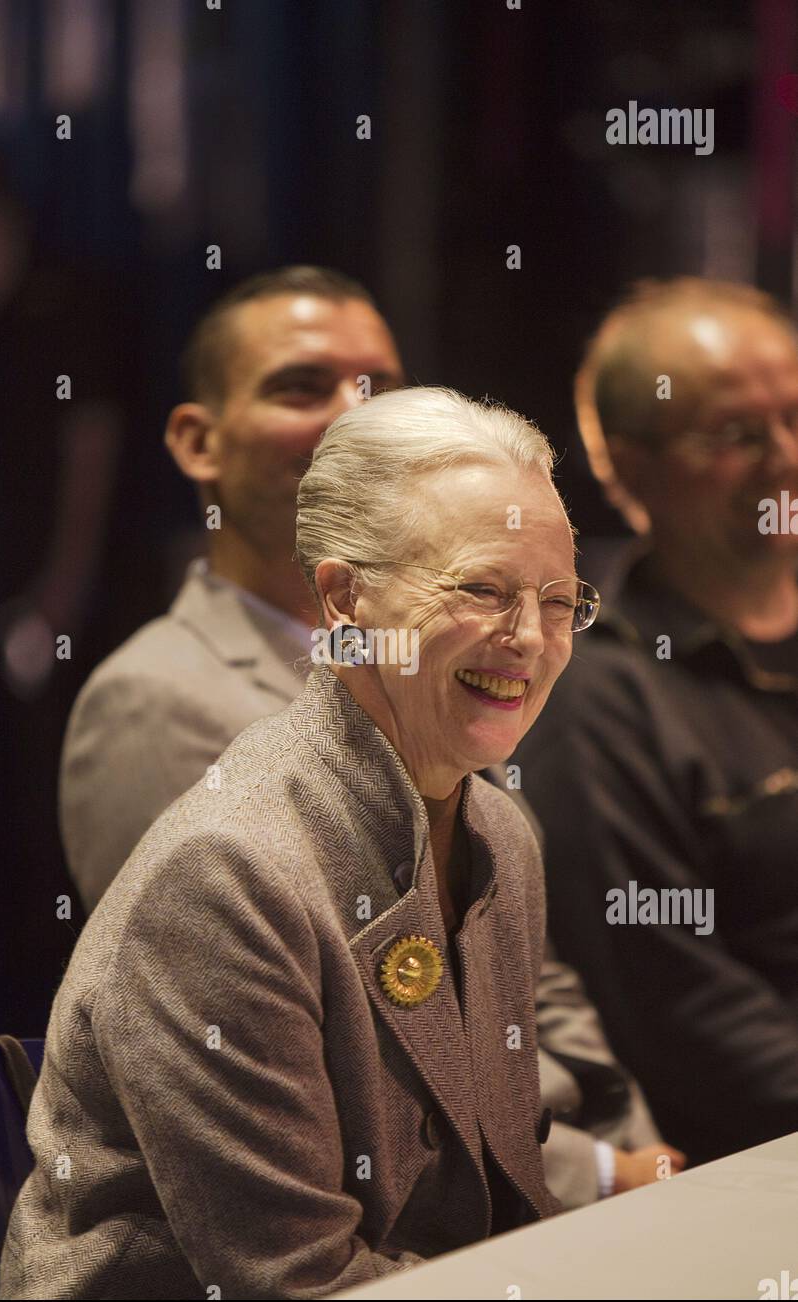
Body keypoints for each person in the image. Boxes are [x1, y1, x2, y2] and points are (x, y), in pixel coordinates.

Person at [58, 265, 673, 1210]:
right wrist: (598, 1180)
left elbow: (527, 1016)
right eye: (303, 385)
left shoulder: (485, 797)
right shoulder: (175, 744)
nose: (526, 636)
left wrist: (632, 1168)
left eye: (557, 602)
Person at [0, 385, 605, 1299]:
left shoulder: (503, 836)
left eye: (557, 601)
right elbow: (295, 1285)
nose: (528, 639)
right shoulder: (227, 872)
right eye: (482, 589)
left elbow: (506, 1198)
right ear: (343, 596)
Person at [516, 278, 798, 1166]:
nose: (785, 458)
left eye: (796, 417)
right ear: (627, 468)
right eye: (736, 435)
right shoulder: (599, 698)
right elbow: (682, 1015)